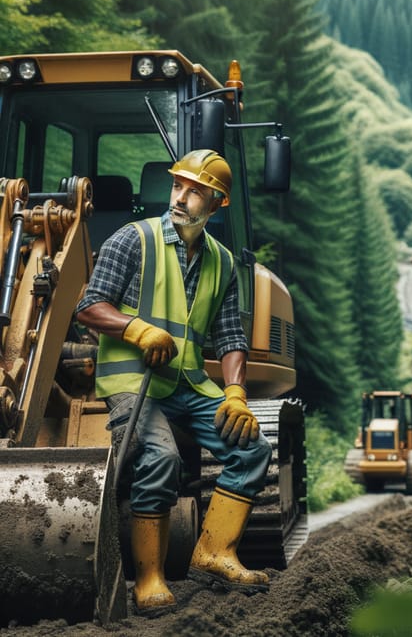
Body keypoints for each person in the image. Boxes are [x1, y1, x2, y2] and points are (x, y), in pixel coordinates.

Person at [76, 149, 272, 614]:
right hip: (133, 380)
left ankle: (214, 552)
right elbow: (88, 305)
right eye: (177, 187)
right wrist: (137, 329)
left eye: (195, 192)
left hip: (187, 385)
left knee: (253, 449)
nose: (181, 198)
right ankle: (149, 579)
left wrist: (237, 393)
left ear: (217, 203)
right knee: (161, 457)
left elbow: (229, 336)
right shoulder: (132, 240)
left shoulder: (221, 263)